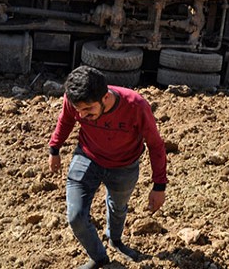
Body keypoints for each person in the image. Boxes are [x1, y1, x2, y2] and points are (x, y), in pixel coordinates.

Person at [48, 66, 167, 269]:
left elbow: (155, 145)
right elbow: (66, 120)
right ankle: (99, 257)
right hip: (88, 157)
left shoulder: (135, 106)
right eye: (79, 110)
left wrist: (159, 186)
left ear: (104, 97)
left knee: (118, 207)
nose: (83, 115)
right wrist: (54, 148)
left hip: (124, 165)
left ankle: (115, 240)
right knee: (75, 216)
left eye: (88, 109)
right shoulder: (74, 100)